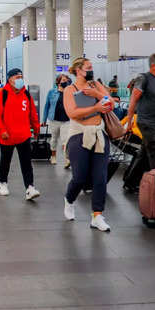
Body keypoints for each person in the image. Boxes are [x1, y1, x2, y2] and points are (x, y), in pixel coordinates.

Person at [62, 57, 114, 232]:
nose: (91, 71)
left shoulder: (96, 85)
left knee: (100, 177)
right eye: (88, 68)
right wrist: (95, 108)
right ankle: (69, 200)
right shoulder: (70, 90)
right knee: (80, 177)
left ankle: (97, 215)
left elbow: (111, 103)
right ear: (78, 70)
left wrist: (98, 95)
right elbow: (72, 112)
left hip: (99, 135)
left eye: (92, 67)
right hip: (79, 136)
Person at [0, 68, 41, 201]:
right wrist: (1, 130)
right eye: (17, 77)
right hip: (7, 136)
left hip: (24, 135)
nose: (20, 79)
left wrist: (36, 129)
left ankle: (30, 187)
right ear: (10, 79)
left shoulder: (26, 94)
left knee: (26, 163)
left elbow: (32, 114)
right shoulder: (3, 94)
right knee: (5, 161)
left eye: (21, 76)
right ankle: (2, 183)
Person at [125, 54, 155, 171]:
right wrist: (129, 121)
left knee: (144, 153)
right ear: (153, 66)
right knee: (154, 152)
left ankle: (130, 181)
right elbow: (133, 100)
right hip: (146, 122)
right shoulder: (143, 78)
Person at [42, 74, 71, 167]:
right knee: (54, 139)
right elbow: (47, 106)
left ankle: (67, 159)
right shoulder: (52, 92)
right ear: (58, 82)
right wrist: (44, 119)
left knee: (65, 140)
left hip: (66, 120)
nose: (65, 82)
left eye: (66, 80)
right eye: (63, 80)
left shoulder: (69, 92)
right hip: (54, 120)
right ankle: (53, 156)